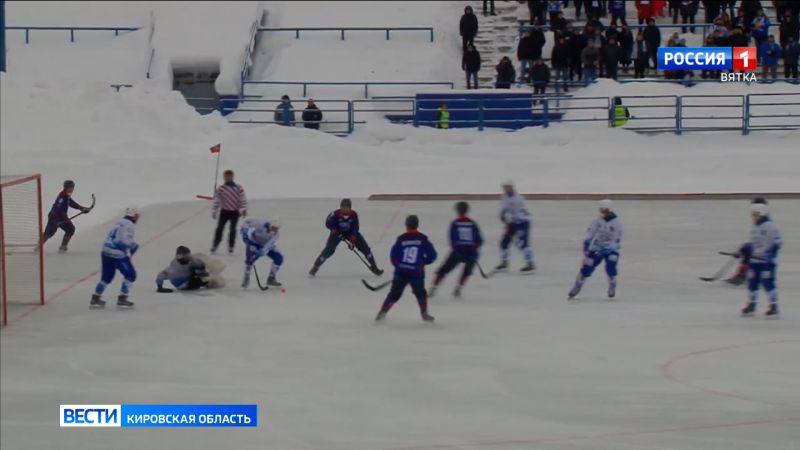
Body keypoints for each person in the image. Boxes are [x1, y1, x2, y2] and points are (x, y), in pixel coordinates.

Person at [375, 215, 437, 323]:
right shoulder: (423, 239)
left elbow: (393, 256)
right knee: (421, 294)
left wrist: (399, 266)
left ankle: (382, 313)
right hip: (416, 273)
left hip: (401, 272)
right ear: (417, 225)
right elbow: (432, 256)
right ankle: (424, 313)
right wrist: (422, 262)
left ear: (406, 225)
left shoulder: (401, 239)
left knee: (394, 295)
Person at [309, 198, 383, 277]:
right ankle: (315, 267)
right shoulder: (334, 214)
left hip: (350, 233)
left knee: (365, 248)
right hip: (336, 234)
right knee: (328, 250)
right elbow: (328, 224)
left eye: (347, 207)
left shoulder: (354, 215)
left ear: (350, 207)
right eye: (343, 206)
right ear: (340, 207)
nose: (345, 208)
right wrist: (336, 232)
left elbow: (355, 228)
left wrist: (353, 241)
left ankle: (374, 267)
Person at [568, 199, 622, 299]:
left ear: (609, 210)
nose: (602, 213)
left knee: (611, 265)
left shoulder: (616, 223)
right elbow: (590, 232)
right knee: (587, 266)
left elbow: (617, 240)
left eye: (604, 210)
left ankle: (612, 283)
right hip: (597, 247)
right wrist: (587, 243)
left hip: (610, 249)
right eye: (601, 210)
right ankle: (577, 286)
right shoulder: (598, 221)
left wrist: (609, 248)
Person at [429, 202, 483, 299]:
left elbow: (452, 240)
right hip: (471, 253)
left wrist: (458, 249)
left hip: (458, 252)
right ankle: (459, 288)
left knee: (443, 270)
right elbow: (480, 240)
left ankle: (433, 288)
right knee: (467, 271)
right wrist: (473, 250)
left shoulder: (455, 223)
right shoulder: (472, 223)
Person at [90, 207, 139, 308]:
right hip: (117, 253)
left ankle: (96, 297)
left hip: (105, 250)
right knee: (130, 275)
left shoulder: (119, 222)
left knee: (106, 276)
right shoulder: (129, 225)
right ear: (133, 216)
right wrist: (132, 246)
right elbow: (123, 241)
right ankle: (122, 298)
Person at [740, 203, 782, 318]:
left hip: (766, 262)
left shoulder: (770, 226)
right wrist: (746, 249)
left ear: (762, 214)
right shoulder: (754, 227)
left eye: (756, 215)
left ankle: (774, 305)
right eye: (752, 215)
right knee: (752, 283)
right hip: (755, 262)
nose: (753, 217)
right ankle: (752, 304)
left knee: (768, 282)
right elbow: (753, 243)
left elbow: (777, 243)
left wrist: (770, 254)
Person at [42, 179, 91, 252]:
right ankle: (38, 247)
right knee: (49, 233)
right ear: (65, 187)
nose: (71, 189)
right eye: (69, 187)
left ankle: (63, 247)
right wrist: (65, 219)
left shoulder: (67, 195)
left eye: (72, 187)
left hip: (61, 218)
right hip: (54, 217)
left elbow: (71, 202)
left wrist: (81, 208)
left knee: (70, 229)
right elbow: (59, 210)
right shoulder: (62, 197)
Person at [496, 180, 534, 272]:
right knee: (504, 242)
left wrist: (508, 222)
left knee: (523, 243)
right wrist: (502, 216)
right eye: (504, 187)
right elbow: (504, 209)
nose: (505, 189)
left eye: (507, 187)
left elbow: (515, 212)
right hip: (513, 221)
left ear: (512, 187)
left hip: (522, 221)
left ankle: (530, 263)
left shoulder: (517, 198)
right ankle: (504, 262)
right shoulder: (505, 197)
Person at [155, 246, 222, 292]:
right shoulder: (176, 268)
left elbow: (198, 264)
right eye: (185, 256)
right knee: (213, 282)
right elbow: (161, 274)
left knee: (198, 260)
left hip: (186, 278)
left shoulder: (180, 261)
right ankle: (208, 282)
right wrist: (160, 288)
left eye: (188, 255)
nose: (187, 257)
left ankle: (205, 278)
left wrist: (160, 287)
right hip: (186, 284)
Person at [211, 170, 247, 254]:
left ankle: (231, 246)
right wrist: (214, 210)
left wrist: (243, 209)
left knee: (232, 229)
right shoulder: (221, 189)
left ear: (232, 177)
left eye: (229, 176)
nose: (228, 178)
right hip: (224, 212)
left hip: (235, 212)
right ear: (224, 177)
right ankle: (215, 245)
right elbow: (217, 200)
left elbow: (242, 199)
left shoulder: (239, 188)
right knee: (219, 228)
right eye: (226, 177)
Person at [240, 218, 283, 288]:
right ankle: (246, 277)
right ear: (270, 225)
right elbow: (246, 223)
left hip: (264, 246)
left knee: (279, 258)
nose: (273, 230)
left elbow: (269, 245)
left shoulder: (276, 235)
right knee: (249, 260)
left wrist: (261, 252)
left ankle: (271, 278)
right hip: (253, 243)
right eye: (273, 228)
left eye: (276, 229)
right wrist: (244, 231)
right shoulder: (260, 223)